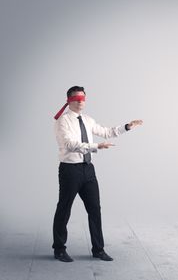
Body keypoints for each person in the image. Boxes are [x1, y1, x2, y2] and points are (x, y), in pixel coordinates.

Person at [52, 86, 143, 262]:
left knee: (95, 209)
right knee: (64, 209)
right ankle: (59, 249)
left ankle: (98, 249)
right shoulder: (63, 122)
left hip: (88, 169)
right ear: (69, 100)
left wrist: (127, 127)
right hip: (70, 170)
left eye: (83, 98)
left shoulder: (87, 120)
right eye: (76, 98)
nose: (80, 101)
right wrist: (96, 146)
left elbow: (107, 132)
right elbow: (70, 144)